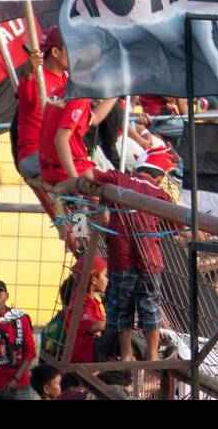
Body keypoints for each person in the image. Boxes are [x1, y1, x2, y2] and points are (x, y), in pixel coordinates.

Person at [86, 150, 178, 366]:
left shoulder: (121, 178)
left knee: (121, 306)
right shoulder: (161, 194)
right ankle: (152, 355)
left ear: (138, 168)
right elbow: (174, 226)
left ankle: (126, 354)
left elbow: (90, 175)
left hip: (121, 256)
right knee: (150, 305)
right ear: (160, 177)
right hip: (150, 259)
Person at [15, 26, 70, 180]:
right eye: (70, 47)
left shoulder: (67, 80)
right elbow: (27, 83)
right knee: (78, 173)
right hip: (35, 155)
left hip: (61, 153)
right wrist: (29, 72)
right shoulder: (35, 79)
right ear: (55, 52)